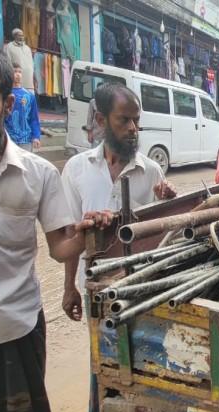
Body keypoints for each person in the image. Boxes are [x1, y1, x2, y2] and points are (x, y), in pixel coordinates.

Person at [0, 42, 108, 412]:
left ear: (8, 105)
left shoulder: (37, 175)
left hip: (15, 331)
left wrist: (90, 233)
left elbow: (60, 248)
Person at [61, 82, 178, 320]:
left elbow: (165, 234)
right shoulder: (76, 169)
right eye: (124, 120)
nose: (133, 128)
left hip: (142, 284)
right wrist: (68, 286)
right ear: (101, 120)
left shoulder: (152, 171)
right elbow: (71, 234)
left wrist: (167, 201)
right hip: (97, 286)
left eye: (136, 120)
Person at [4, 63, 40, 152]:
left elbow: (34, 118)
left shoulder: (29, 96)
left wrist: (36, 136)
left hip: (26, 139)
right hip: (9, 139)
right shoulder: (5, 95)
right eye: (15, 72)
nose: (18, 74)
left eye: (19, 72)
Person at [84, 82, 105, 148]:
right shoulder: (93, 102)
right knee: (95, 156)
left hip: (107, 138)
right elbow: (89, 118)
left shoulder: (110, 102)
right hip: (96, 136)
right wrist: (89, 133)